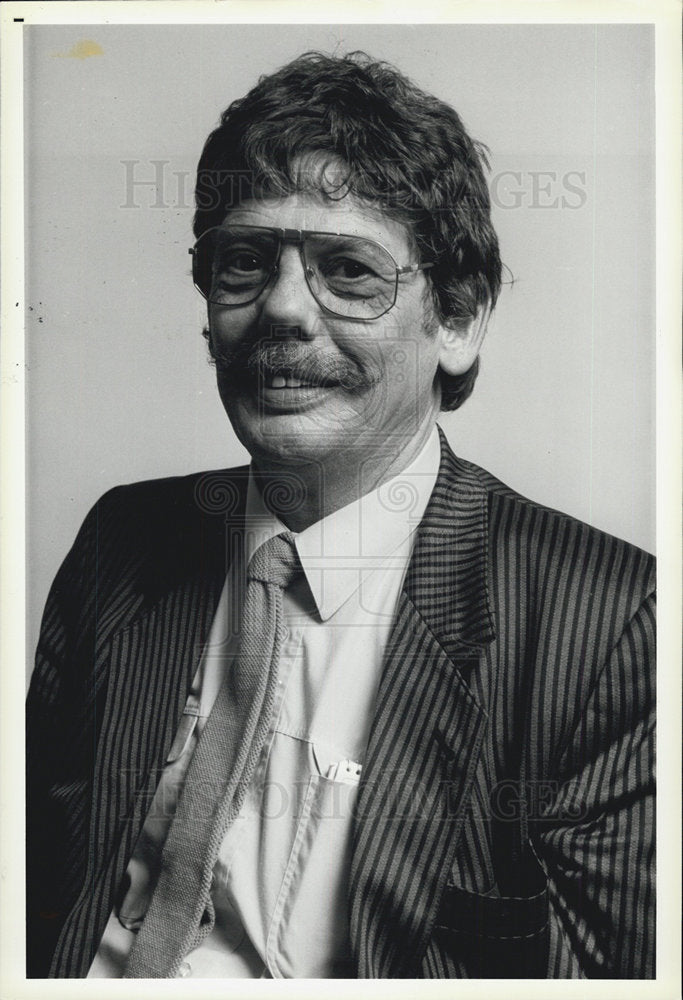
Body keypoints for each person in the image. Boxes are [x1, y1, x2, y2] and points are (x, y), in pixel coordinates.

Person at [26, 51, 655, 980]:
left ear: (459, 319)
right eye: (245, 261)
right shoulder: (122, 541)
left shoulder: (605, 623)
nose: (282, 308)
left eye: (348, 271)